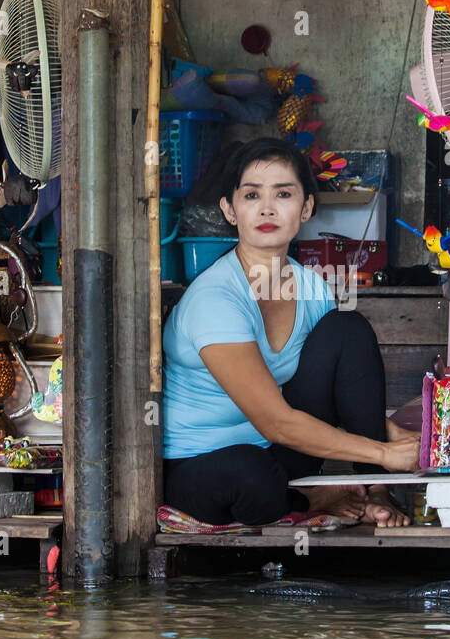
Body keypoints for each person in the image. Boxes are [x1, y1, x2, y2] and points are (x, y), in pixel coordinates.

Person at [162, 137, 419, 528]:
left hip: (275, 451)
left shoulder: (313, 287)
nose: (267, 208)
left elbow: (336, 386)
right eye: (251, 196)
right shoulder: (215, 298)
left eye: (283, 194)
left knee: (347, 330)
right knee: (252, 477)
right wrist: (385, 451)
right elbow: (275, 422)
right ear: (230, 210)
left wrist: (390, 434)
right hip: (203, 462)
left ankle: (376, 489)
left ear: (306, 208)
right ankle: (312, 495)